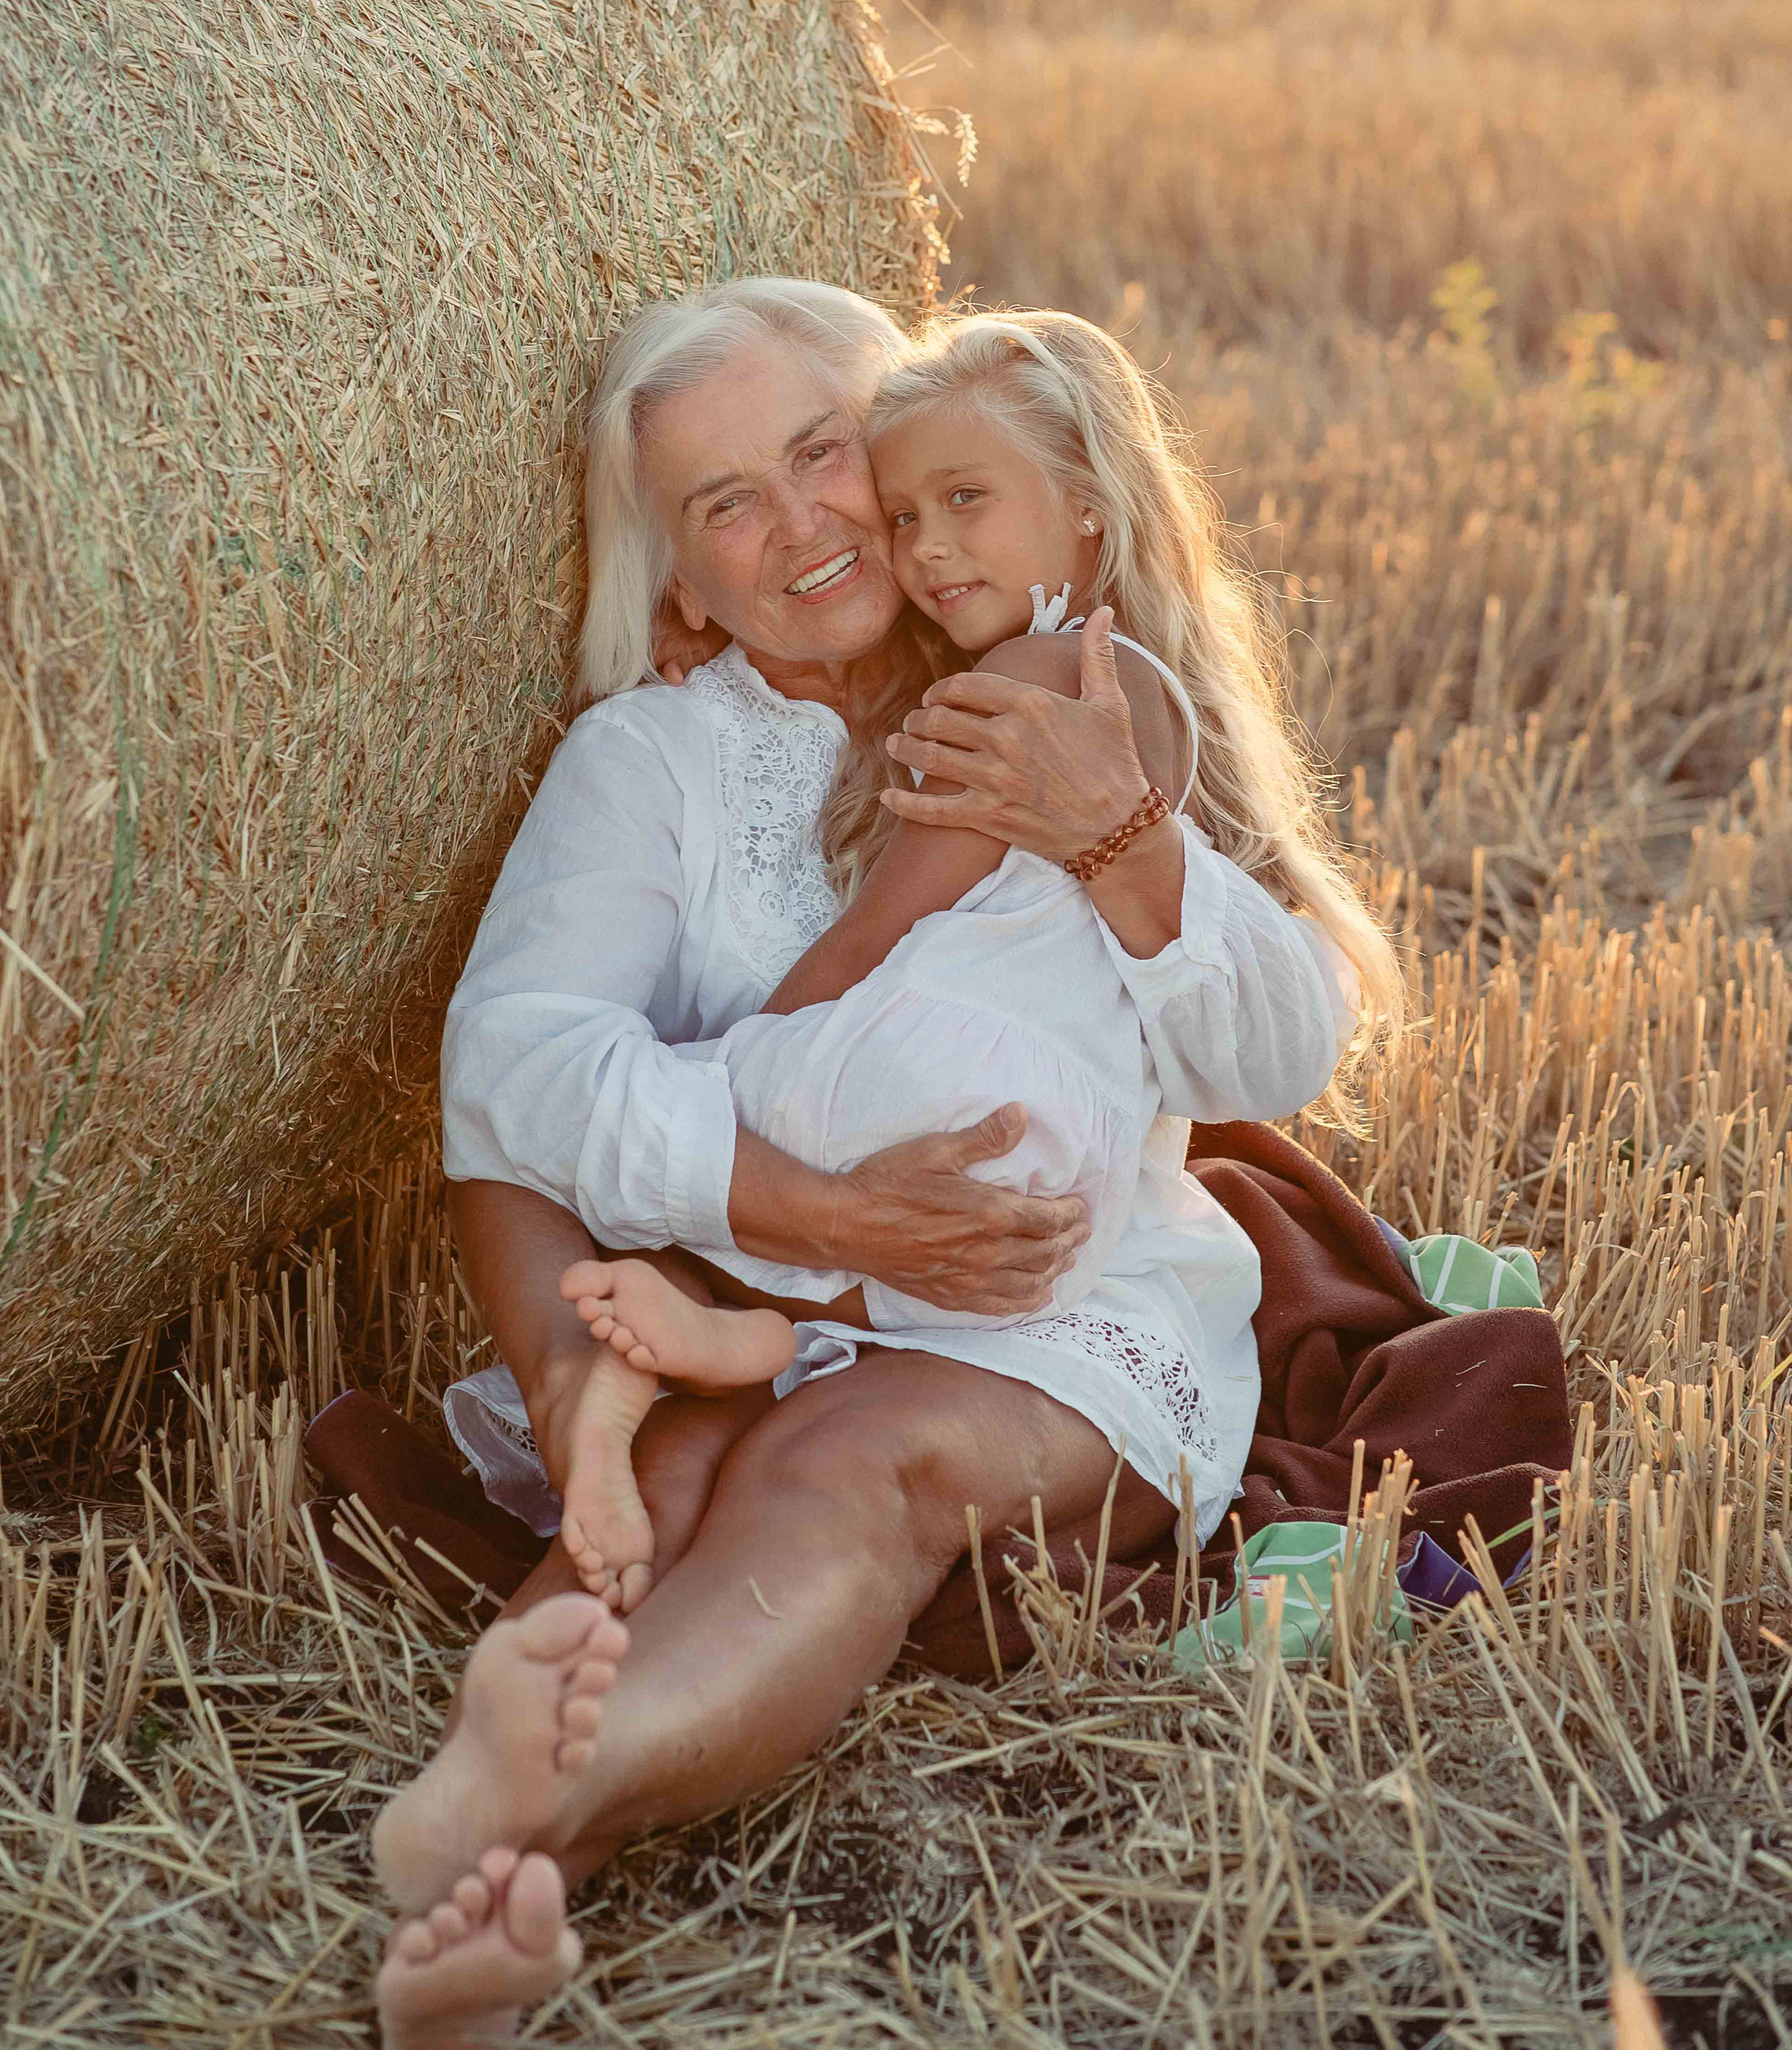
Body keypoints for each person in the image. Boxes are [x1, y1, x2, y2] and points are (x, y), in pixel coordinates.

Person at [370, 278, 1394, 2047]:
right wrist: (810, 1206)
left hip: (1050, 1292)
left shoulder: (1067, 684)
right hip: (776, 1278)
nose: (806, 529)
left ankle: (514, 1819)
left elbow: (1276, 1052)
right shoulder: (652, 763)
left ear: (912, 447)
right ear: (681, 580)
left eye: (823, 456)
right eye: (723, 507)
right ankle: (511, 1837)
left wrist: (1124, 837)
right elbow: (518, 1070)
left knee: (856, 1453)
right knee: (678, 1473)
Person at [549, 310, 1400, 1602]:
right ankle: (744, 1338)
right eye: (901, 517)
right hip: (1002, 1119)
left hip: (955, 1092)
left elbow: (878, 925)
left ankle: (733, 1335)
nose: (922, 548)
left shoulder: (1036, 685)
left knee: (851, 1185)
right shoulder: (1065, 673)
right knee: (969, 1233)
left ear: (1090, 510)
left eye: (962, 503)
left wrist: (757, 1048)